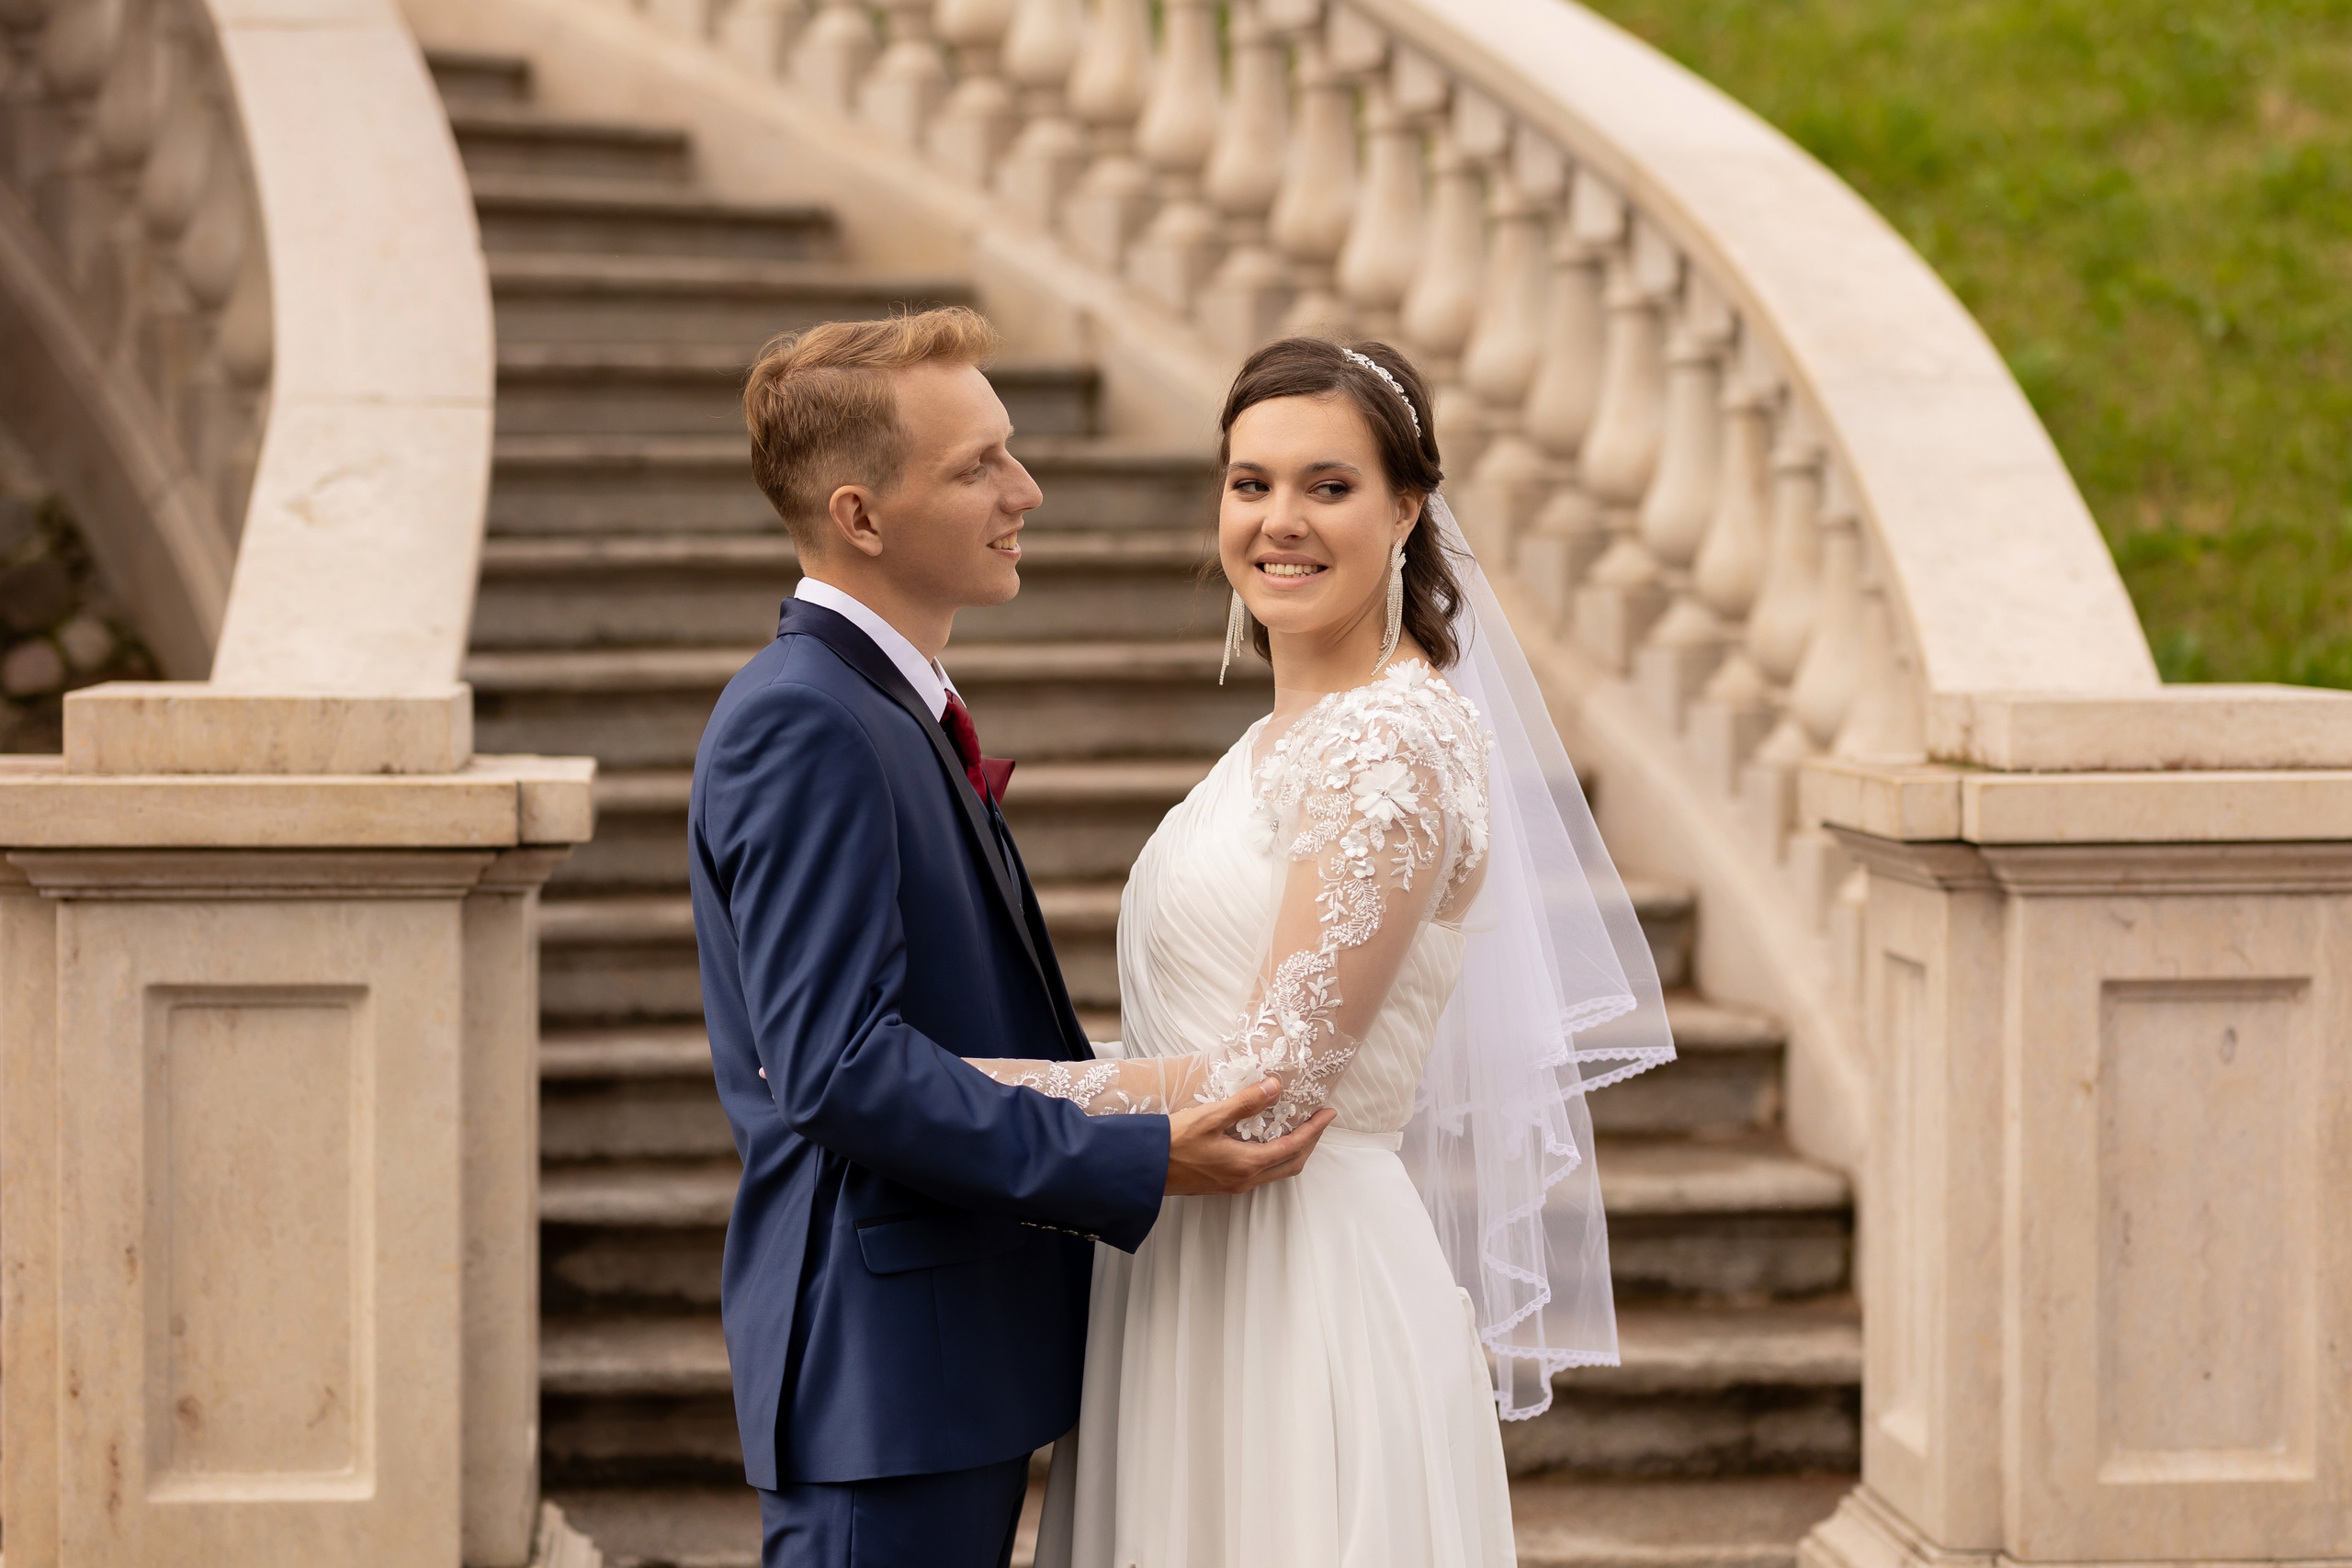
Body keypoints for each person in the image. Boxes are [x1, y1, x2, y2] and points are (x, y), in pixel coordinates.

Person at [963, 337, 1677, 1567]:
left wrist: (963, 1090)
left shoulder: (1393, 746)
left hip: (1299, 1289)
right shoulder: (1281, 740)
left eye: (1327, 486)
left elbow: (1275, 1083)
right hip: (1179, 1276)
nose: (1278, 521)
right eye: (1250, 483)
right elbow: (1198, 1045)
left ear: (1408, 507)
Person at [687, 307, 1336, 1568]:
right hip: (881, 1381)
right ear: (861, 517)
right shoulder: (805, 723)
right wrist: (1126, 1157)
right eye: (976, 465)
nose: (1024, 490)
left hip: (939, 1365)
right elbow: (837, 1069)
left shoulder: (883, 710)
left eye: (1011, 450)